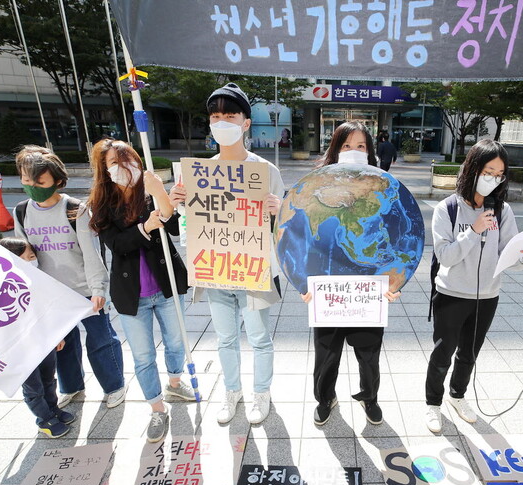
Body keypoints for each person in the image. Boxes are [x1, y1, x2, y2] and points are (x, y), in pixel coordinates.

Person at [171, 83, 283, 426]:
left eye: (230, 115)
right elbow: (189, 225)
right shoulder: (199, 175)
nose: (221, 121)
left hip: (254, 269)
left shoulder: (266, 172)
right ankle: (232, 392)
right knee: (225, 337)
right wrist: (177, 204)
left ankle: (260, 393)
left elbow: (282, 231)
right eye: (215, 116)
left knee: (260, 338)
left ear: (246, 123)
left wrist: (277, 211)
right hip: (217, 269)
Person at [425, 139, 523, 434]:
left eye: (499, 174)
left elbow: (508, 257)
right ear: (473, 169)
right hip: (451, 293)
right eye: (488, 171)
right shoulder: (447, 209)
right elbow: (446, 256)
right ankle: (433, 404)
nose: (493, 179)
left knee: (469, 353)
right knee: (443, 353)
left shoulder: (502, 212)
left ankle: (457, 396)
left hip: (488, 295)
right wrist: (473, 231)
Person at [87, 139, 197, 444]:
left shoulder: (150, 191)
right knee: (144, 355)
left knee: (176, 341)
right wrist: (144, 227)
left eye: (130, 161)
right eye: (115, 164)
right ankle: (157, 408)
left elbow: (175, 228)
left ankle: (175, 382)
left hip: (168, 284)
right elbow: (117, 245)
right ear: (104, 170)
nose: (125, 168)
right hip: (131, 294)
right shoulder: (102, 204)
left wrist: (162, 195)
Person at [303, 121, 402, 427]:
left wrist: (397, 280)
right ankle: (325, 398)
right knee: (327, 356)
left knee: (368, 355)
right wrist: (301, 284)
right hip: (329, 291)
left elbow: (398, 239)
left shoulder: (386, 190)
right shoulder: (313, 190)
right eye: (347, 146)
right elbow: (302, 239)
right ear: (334, 150)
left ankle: (369, 398)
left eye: (361, 147)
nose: (354, 152)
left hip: (367, 291)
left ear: (371, 153)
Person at [13, 146, 126, 409]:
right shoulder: (21, 211)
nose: (32, 186)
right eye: (26, 180)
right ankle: (72, 387)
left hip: (84, 289)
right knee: (63, 345)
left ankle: (114, 385)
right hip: (50, 294)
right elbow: (22, 257)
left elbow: (91, 253)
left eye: (39, 181)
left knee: (101, 340)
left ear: (57, 181)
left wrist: (98, 288)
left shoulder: (75, 210)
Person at [0, 238, 75, 438]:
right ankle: (43, 419)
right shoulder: (0, 291)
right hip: (21, 349)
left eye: (32, 257)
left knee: (48, 379)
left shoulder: (35, 282)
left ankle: (52, 409)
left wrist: (57, 335)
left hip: (43, 342)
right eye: (27, 257)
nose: (32, 260)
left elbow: (46, 311)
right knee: (33, 386)